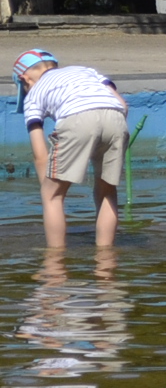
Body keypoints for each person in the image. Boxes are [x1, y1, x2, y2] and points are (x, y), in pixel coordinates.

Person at [16, 49, 129, 249]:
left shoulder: (33, 94)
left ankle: (55, 265)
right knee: (107, 191)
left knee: (52, 195)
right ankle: (105, 263)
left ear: (24, 78)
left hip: (76, 119)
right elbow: (122, 104)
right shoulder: (85, 71)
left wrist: (47, 185)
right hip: (116, 118)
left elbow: (40, 152)